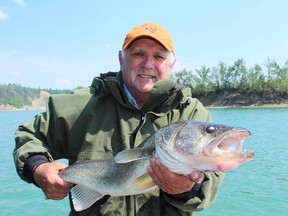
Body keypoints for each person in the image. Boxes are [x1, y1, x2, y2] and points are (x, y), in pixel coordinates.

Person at [13, 22, 225, 216]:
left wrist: (187, 190)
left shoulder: (192, 115)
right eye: (138, 53)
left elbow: (210, 184)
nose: (148, 64)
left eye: (159, 56)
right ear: (121, 59)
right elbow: (30, 135)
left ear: (172, 63)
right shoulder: (80, 105)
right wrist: (38, 169)